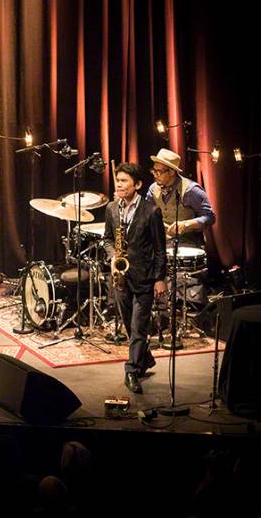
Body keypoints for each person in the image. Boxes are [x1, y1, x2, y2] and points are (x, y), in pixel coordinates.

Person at [104, 163, 167, 394]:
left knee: (138, 327)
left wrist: (159, 278)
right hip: (121, 277)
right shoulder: (112, 208)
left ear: (137, 184)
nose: (119, 184)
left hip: (144, 278)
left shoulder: (151, 211)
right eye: (118, 180)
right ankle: (145, 357)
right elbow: (107, 239)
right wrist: (113, 257)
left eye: (124, 181)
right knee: (130, 325)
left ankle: (131, 370)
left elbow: (160, 249)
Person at [147, 148, 216, 245]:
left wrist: (186, 224)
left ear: (171, 172)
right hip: (162, 242)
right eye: (153, 171)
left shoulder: (191, 190)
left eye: (159, 172)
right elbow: (147, 214)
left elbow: (210, 217)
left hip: (188, 243)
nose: (155, 175)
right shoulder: (153, 189)